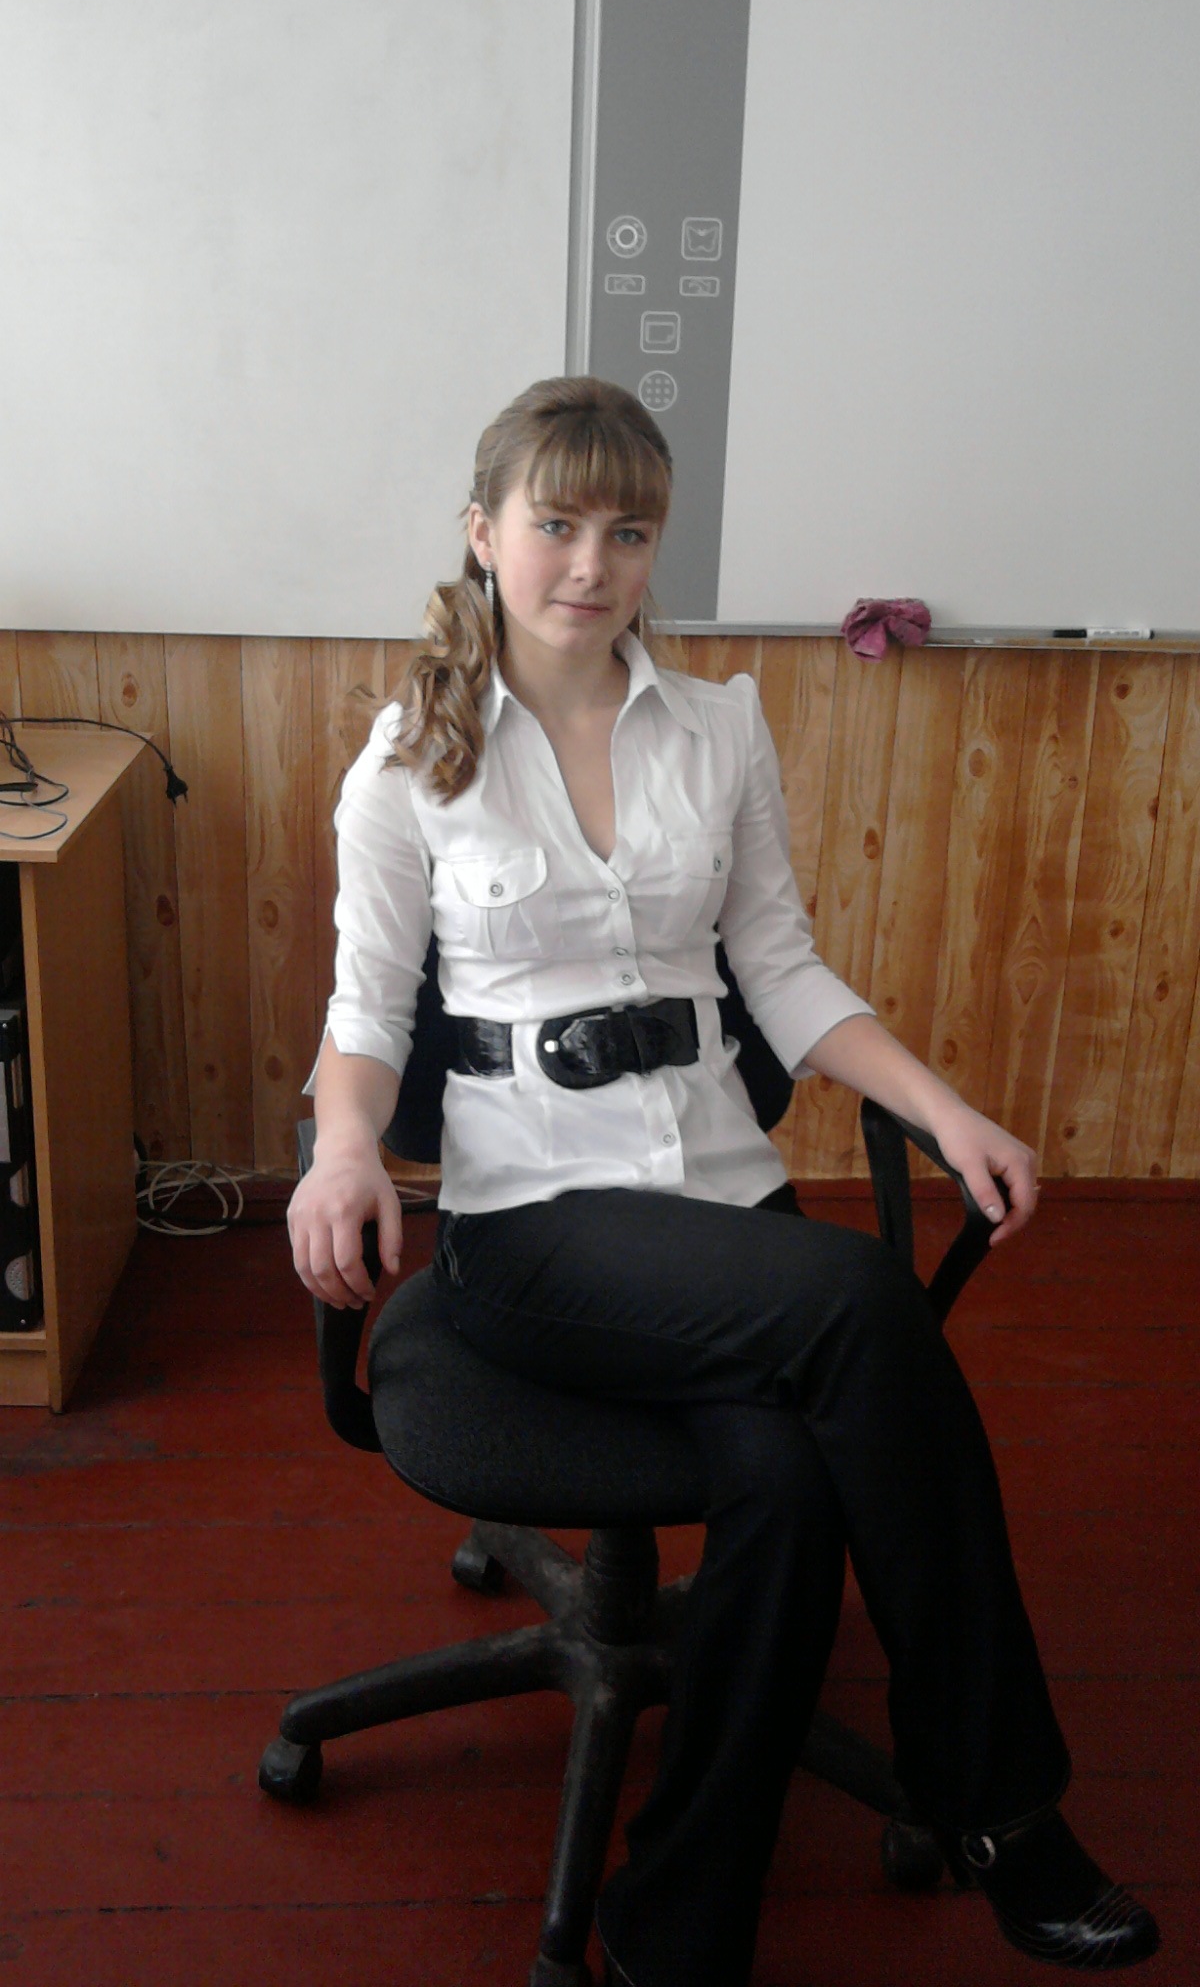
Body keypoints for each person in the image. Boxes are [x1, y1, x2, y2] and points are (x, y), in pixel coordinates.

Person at [288, 376, 1160, 1986]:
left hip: (717, 1189)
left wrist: (948, 1109)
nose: (591, 564)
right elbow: (364, 1014)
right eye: (556, 522)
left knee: (785, 1480)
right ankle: (1003, 1805)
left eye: (629, 531)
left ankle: (672, 1924)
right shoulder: (406, 768)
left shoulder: (721, 730)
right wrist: (345, 1148)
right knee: (860, 1306)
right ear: (482, 532)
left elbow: (782, 968)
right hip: (530, 1222)